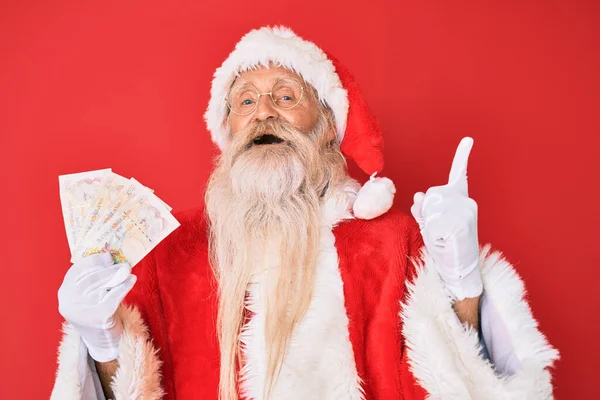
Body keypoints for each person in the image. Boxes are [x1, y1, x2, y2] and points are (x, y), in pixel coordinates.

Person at [51, 26, 559, 400]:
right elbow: (134, 390)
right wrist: (101, 342)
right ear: (227, 131)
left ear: (327, 126)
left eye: (285, 96)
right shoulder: (170, 252)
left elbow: (456, 386)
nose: (263, 112)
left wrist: (462, 284)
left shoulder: (392, 242)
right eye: (245, 101)